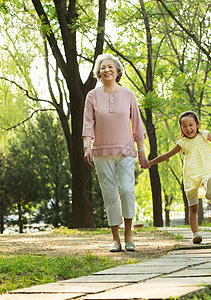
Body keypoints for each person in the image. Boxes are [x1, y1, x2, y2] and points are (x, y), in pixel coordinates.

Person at [82, 53, 150, 252]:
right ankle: (115, 239)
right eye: (102, 67)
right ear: (98, 73)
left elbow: (137, 125)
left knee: (127, 190)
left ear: (118, 71)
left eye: (110, 67)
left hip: (126, 150)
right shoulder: (92, 96)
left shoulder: (128, 94)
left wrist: (141, 152)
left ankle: (128, 234)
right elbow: (88, 125)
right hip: (101, 152)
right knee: (110, 194)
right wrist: (87, 146)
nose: (106, 70)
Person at [145, 111, 211, 244]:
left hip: (205, 169)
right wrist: (150, 163)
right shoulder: (182, 143)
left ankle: (208, 189)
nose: (188, 129)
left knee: (207, 178)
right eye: (184, 126)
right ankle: (196, 234)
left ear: (197, 124)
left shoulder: (204, 135)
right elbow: (166, 155)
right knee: (193, 207)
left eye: (191, 125)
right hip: (190, 175)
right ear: (181, 128)